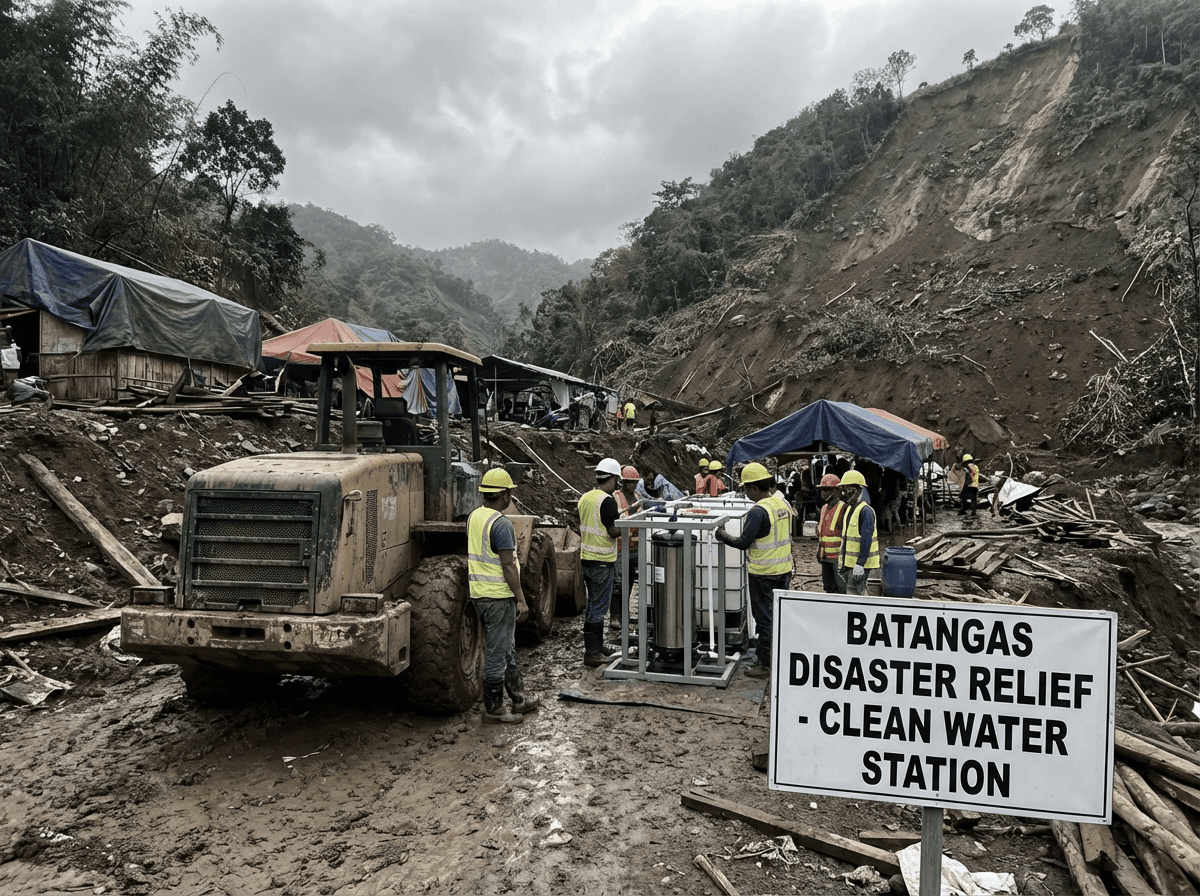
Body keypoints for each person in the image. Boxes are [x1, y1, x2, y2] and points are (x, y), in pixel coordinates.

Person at [467, 468, 540, 724]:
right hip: (498, 597)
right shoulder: (501, 524)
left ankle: (519, 699)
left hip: (479, 595)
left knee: (506, 648)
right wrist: (521, 599)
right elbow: (508, 565)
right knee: (497, 655)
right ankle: (494, 709)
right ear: (505, 494)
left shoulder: (474, 517)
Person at [714, 462, 794, 680]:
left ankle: (766, 665)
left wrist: (722, 535)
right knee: (777, 615)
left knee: (764, 618)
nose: (746, 493)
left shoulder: (758, 512)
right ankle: (774, 656)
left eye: (746, 489)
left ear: (754, 488)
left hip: (763, 574)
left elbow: (743, 542)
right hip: (783, 569)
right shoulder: (781, 504)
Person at [578, 458, 623, 666]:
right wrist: (630, 526)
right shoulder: (607, 500)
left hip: (587, 559)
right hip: (602, 562)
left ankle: (596, 646)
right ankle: (593, 653)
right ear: (612, 478)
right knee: (598, 607)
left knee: (592, 605)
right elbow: (612, 531)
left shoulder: (585, 497)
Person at [611, 465, 646, 628]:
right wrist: (631, 512)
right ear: (623, 482)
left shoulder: (638, 497)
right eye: (629, 482)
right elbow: (616, 516)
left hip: (635, 547)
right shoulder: (616, 497)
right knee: (618, 582)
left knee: (630, 581)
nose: (632, 485)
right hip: (621, 546)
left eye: (634, 482)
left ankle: (624, 614)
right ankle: (615, 616)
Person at [838, 470, 879, 596]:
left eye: (847, 489)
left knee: (859, 592)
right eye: (844, 489)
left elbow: (866, 538)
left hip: (860, 565)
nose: (844, 493)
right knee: (852, 592)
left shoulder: (865, 511)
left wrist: (860, 564)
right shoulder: (850, 509)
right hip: (849, 564)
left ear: (857, 490)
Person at [815, 474, 847, 593]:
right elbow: (822, 532)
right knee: (828, 587)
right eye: (822, 490)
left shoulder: (843, 508)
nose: (823, 493)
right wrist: (818, 550)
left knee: (841, 588)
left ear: (837, 491)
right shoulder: (824, 508)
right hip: (825, 557)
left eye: (827, 490)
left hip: (837, 558)